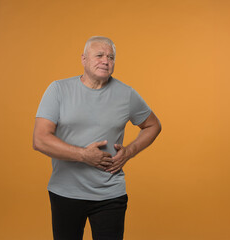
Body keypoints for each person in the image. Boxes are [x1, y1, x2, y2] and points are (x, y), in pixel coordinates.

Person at [33, 36, 161, 240]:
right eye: (99, 55)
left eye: (111, 57)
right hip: (66, 192)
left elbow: (153, 125)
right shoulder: (58, 89)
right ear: (84, 59)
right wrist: (83, 155)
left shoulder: (126, 94)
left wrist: (129, 151)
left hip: (110, 193)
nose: (106, 61)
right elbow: (40, 139)